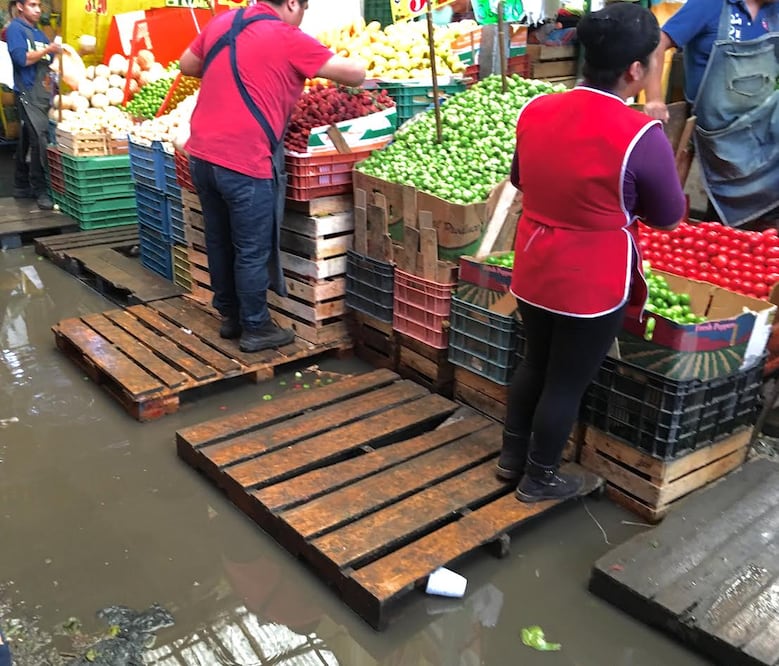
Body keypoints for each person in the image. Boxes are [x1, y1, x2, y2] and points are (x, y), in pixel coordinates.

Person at [496, 3, 686, 503]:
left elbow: (520, 178)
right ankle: (539, 479)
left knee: (534, 362)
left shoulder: (537, 109)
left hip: (535, 262)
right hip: (592, 278)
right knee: (566, 381)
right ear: (635, 71)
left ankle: (510, 460)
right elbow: (668, 216)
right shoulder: (642, 136)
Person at [179, 0, 365, 353]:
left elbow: (187, 65)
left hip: (202, 153)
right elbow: (354, 74)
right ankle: (256, 328)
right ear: (292, 3)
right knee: (251, 249)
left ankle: (230, 317)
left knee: (219, 239)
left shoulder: (224, 22)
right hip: (244, 159)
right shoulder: (287, 36)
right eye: (304, 9)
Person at [644, 0, 779, 227]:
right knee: (725, 219)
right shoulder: (710, 5)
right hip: (718, 133)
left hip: (763, 126)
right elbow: (656, 44)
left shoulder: (774, 10)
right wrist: (655, 99)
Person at [5, 0, 57, 210]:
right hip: (26, 93)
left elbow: (52, 60)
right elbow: (22, 60)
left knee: (28, 136)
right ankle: (39, 189)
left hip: (42, 95)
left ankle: (20, 184)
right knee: (39, 139)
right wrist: (48, 50)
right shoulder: (15, 30)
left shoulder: (39, 33)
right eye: (32, 5)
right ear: (20, 6)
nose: (37, 10)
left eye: (39, 6)